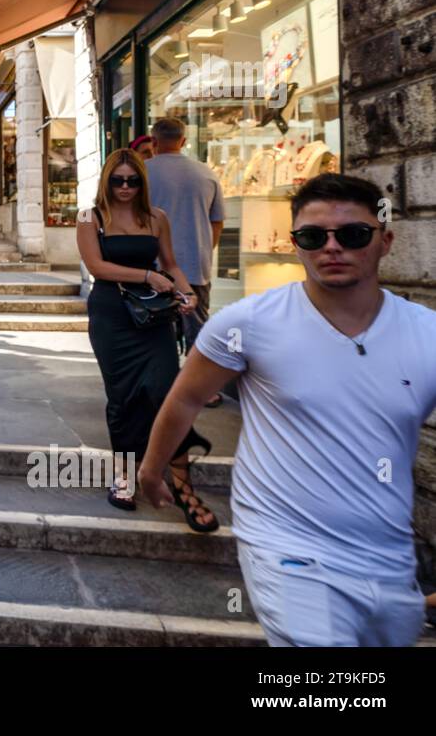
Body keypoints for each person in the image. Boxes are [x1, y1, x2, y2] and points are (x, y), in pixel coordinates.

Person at [139, 174, 436, 647]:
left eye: (353, 235)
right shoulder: (249, 323)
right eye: (314, 237)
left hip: (388, 556)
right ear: (296, 244)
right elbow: (187, 396)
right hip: (286, 549)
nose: (331, 248)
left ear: (385, 242)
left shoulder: (427, 334)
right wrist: (152, 470)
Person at [75, 149, 209, 518]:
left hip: (152, 317)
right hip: (112, 317)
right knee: (123, 397)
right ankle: (125, 475)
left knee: (165, 391)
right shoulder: (90, 217)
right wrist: (148, 276)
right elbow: (97, 267)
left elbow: (172, 265)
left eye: (133, 181)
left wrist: (187, 292)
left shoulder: (157, 218)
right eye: (117, 180)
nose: (125, 187)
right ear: (106, 181)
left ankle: (177, 478)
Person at [144, 118, 225, 406]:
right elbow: (217, 221)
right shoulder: (206, 173)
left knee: (152, 324)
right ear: (184, 139)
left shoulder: (143, 173)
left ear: (153, 141)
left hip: (152, 265)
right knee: (198, 327)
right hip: (195, 262)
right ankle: (204, 389)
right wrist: (204, 248)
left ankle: (158, 383)